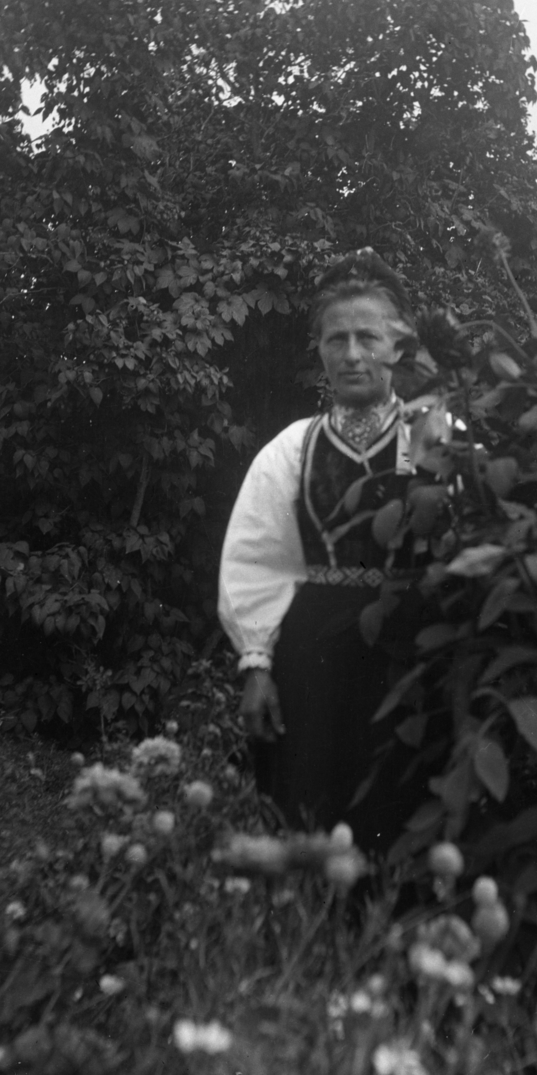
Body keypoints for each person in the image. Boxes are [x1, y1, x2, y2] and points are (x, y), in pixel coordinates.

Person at [217, 249, 434, 853]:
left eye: (368, 337)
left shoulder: (435, 440)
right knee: (306, 812)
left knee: (399, 814)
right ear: (319, 350)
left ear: (399, 346)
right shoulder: (292, 451)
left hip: (408, 654)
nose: (353, 354)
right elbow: (256, 561)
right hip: (313, 662)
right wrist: (256, 666)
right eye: (336, 339)